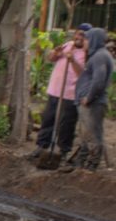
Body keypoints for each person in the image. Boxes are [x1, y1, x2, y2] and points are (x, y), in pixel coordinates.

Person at [28, 25, 89, 162]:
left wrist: (72, 60)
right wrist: (56, 53)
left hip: (71, 94)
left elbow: (82, 74)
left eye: (83, 36)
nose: (79, 37)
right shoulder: (68, 44)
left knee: (66, 124)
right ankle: (41, 146)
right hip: (55, 90)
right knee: (48, 119)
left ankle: (63, 151)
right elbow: (51, 58)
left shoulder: (87, 53)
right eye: (78, 34)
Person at [74, 27, 113, 171]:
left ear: (93, 40)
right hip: (90, 103)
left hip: (94, 104)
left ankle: (92, 164)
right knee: (86, 134)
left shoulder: (100, 57)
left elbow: (98, 80)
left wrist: (89, 97)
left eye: (86, 39)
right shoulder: (97, 55)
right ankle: (82, 163)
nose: (84, 42)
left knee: (93, 134)